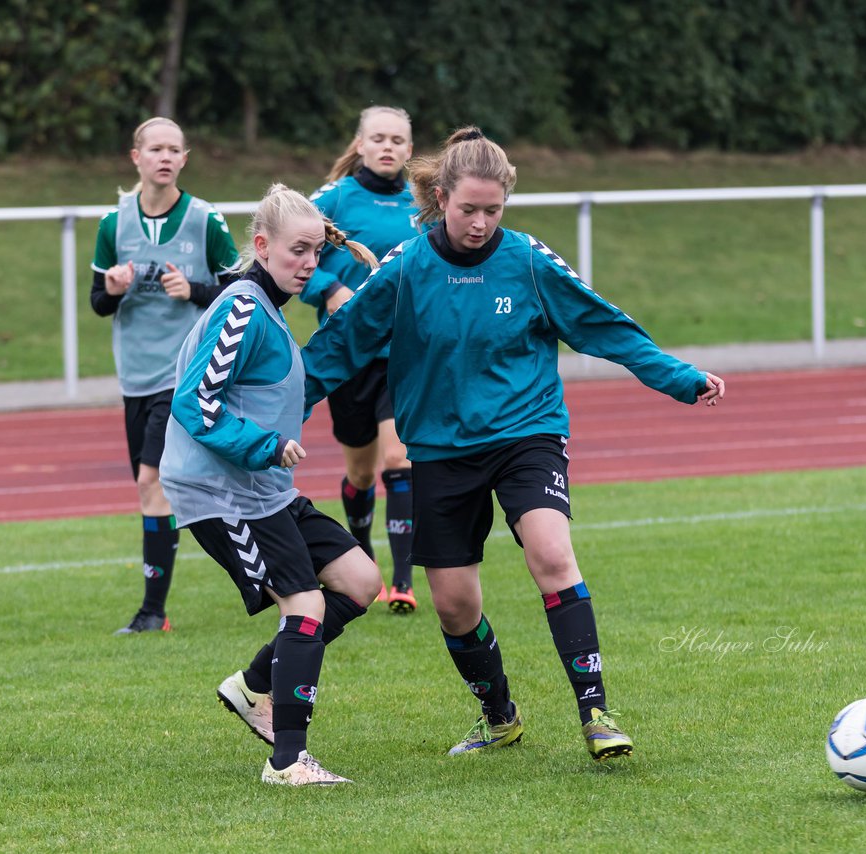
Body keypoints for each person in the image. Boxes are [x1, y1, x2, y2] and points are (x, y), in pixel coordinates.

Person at [302, 127, 725, 763]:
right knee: (454, 605)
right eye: (467, 209)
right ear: (441, 198)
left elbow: (601, 325)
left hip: (527, 432)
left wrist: (679, 377)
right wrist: (279, 407)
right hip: (441, 450)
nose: (479, 223)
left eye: (492, 210)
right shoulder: (406, 269)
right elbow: (342, 344)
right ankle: (500, 717)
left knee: (552, 552)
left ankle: (597, 713)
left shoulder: (527, 260)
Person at [160, 184, 382, 785]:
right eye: (297, 251)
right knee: (305, 605)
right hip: (218, 492)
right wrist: (265, 445)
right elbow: (193, 401)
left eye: (315, 252)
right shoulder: (241, 307)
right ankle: (287, 760)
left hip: (264, 489)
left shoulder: (269, 309)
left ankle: (255, 684)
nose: (309, 263)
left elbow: (277, 393)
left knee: (360, 581)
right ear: (261, 245)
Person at [90, 117, 240, 635]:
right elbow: (97, 304)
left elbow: (240, 293)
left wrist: (194, 290)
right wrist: (111, 288)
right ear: (136, 157)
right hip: (135, 375)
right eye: (155, 149)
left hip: (184, 373)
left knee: (150, 481)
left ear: (184, 159)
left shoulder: (205, 220)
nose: (164, 157)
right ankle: (261, 567)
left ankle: (153, 612)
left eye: (174, 149)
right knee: (165, 490)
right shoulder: (115, 223)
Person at [302, 106, 421, 613]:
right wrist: (327, 288)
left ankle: (402, 581)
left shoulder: (425, 201)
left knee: (399, 459)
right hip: (349, 355)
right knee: (359, 473)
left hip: (406, 354)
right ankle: (361, 552)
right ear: (362, 144)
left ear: (410, 150)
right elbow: (285, 252)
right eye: (379, 138)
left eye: (398, 139)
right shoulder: (333, 200)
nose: (388, 146)